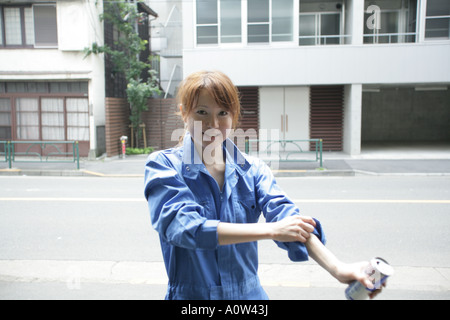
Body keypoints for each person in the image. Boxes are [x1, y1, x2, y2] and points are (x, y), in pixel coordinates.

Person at [144, 71, 383, 300]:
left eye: (223, 112)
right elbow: (184, 227)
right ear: (184, 113)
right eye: (202, 112)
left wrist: (338, 269)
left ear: (234, 115)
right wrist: (272, 231)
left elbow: (289, 219)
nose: (213, 123)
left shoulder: (254, 170)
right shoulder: (164, 166)